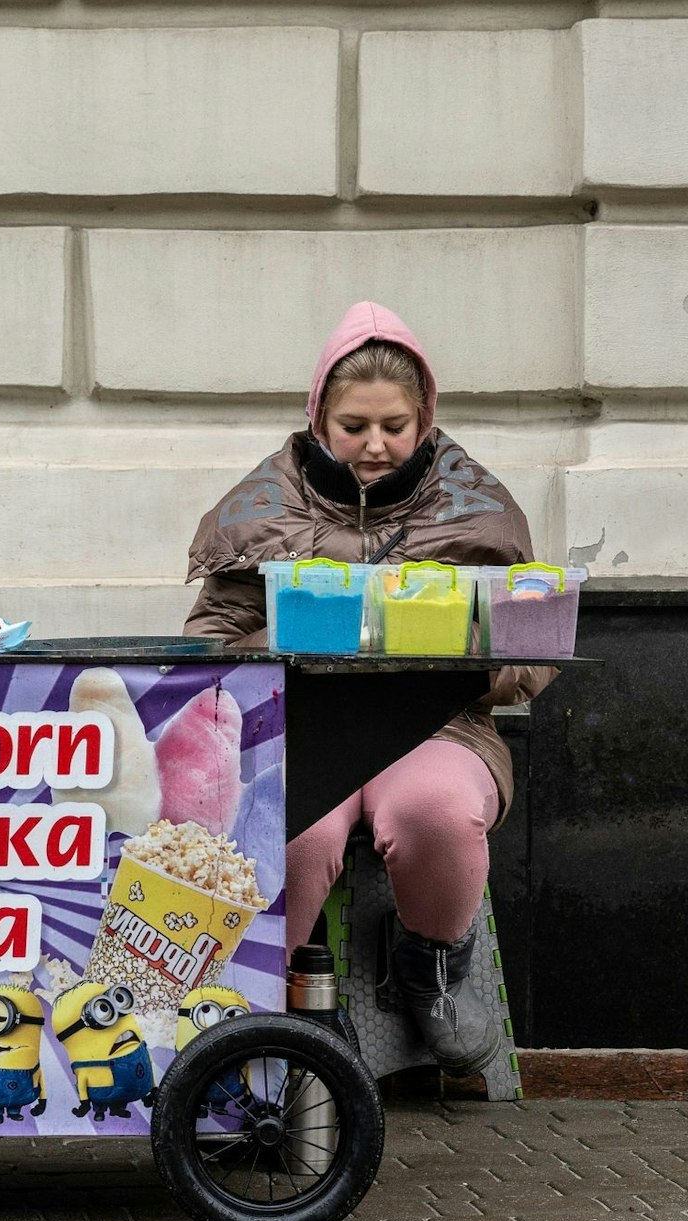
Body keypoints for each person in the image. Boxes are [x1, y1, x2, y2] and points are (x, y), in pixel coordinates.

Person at [182, 301, 556, 1075]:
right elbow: (206, 646)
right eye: (355, 426)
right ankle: (246, 1015)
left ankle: (434, 965)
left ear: (426, 420)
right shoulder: (263, 505)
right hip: (299, 725)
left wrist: (471, 653)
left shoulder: (477, 507)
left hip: (435, 725)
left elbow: (536, 649)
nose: (376, 446)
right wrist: (291, 641)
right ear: (319, 416)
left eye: (395, 425)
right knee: (292, 826)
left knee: (437, 811)